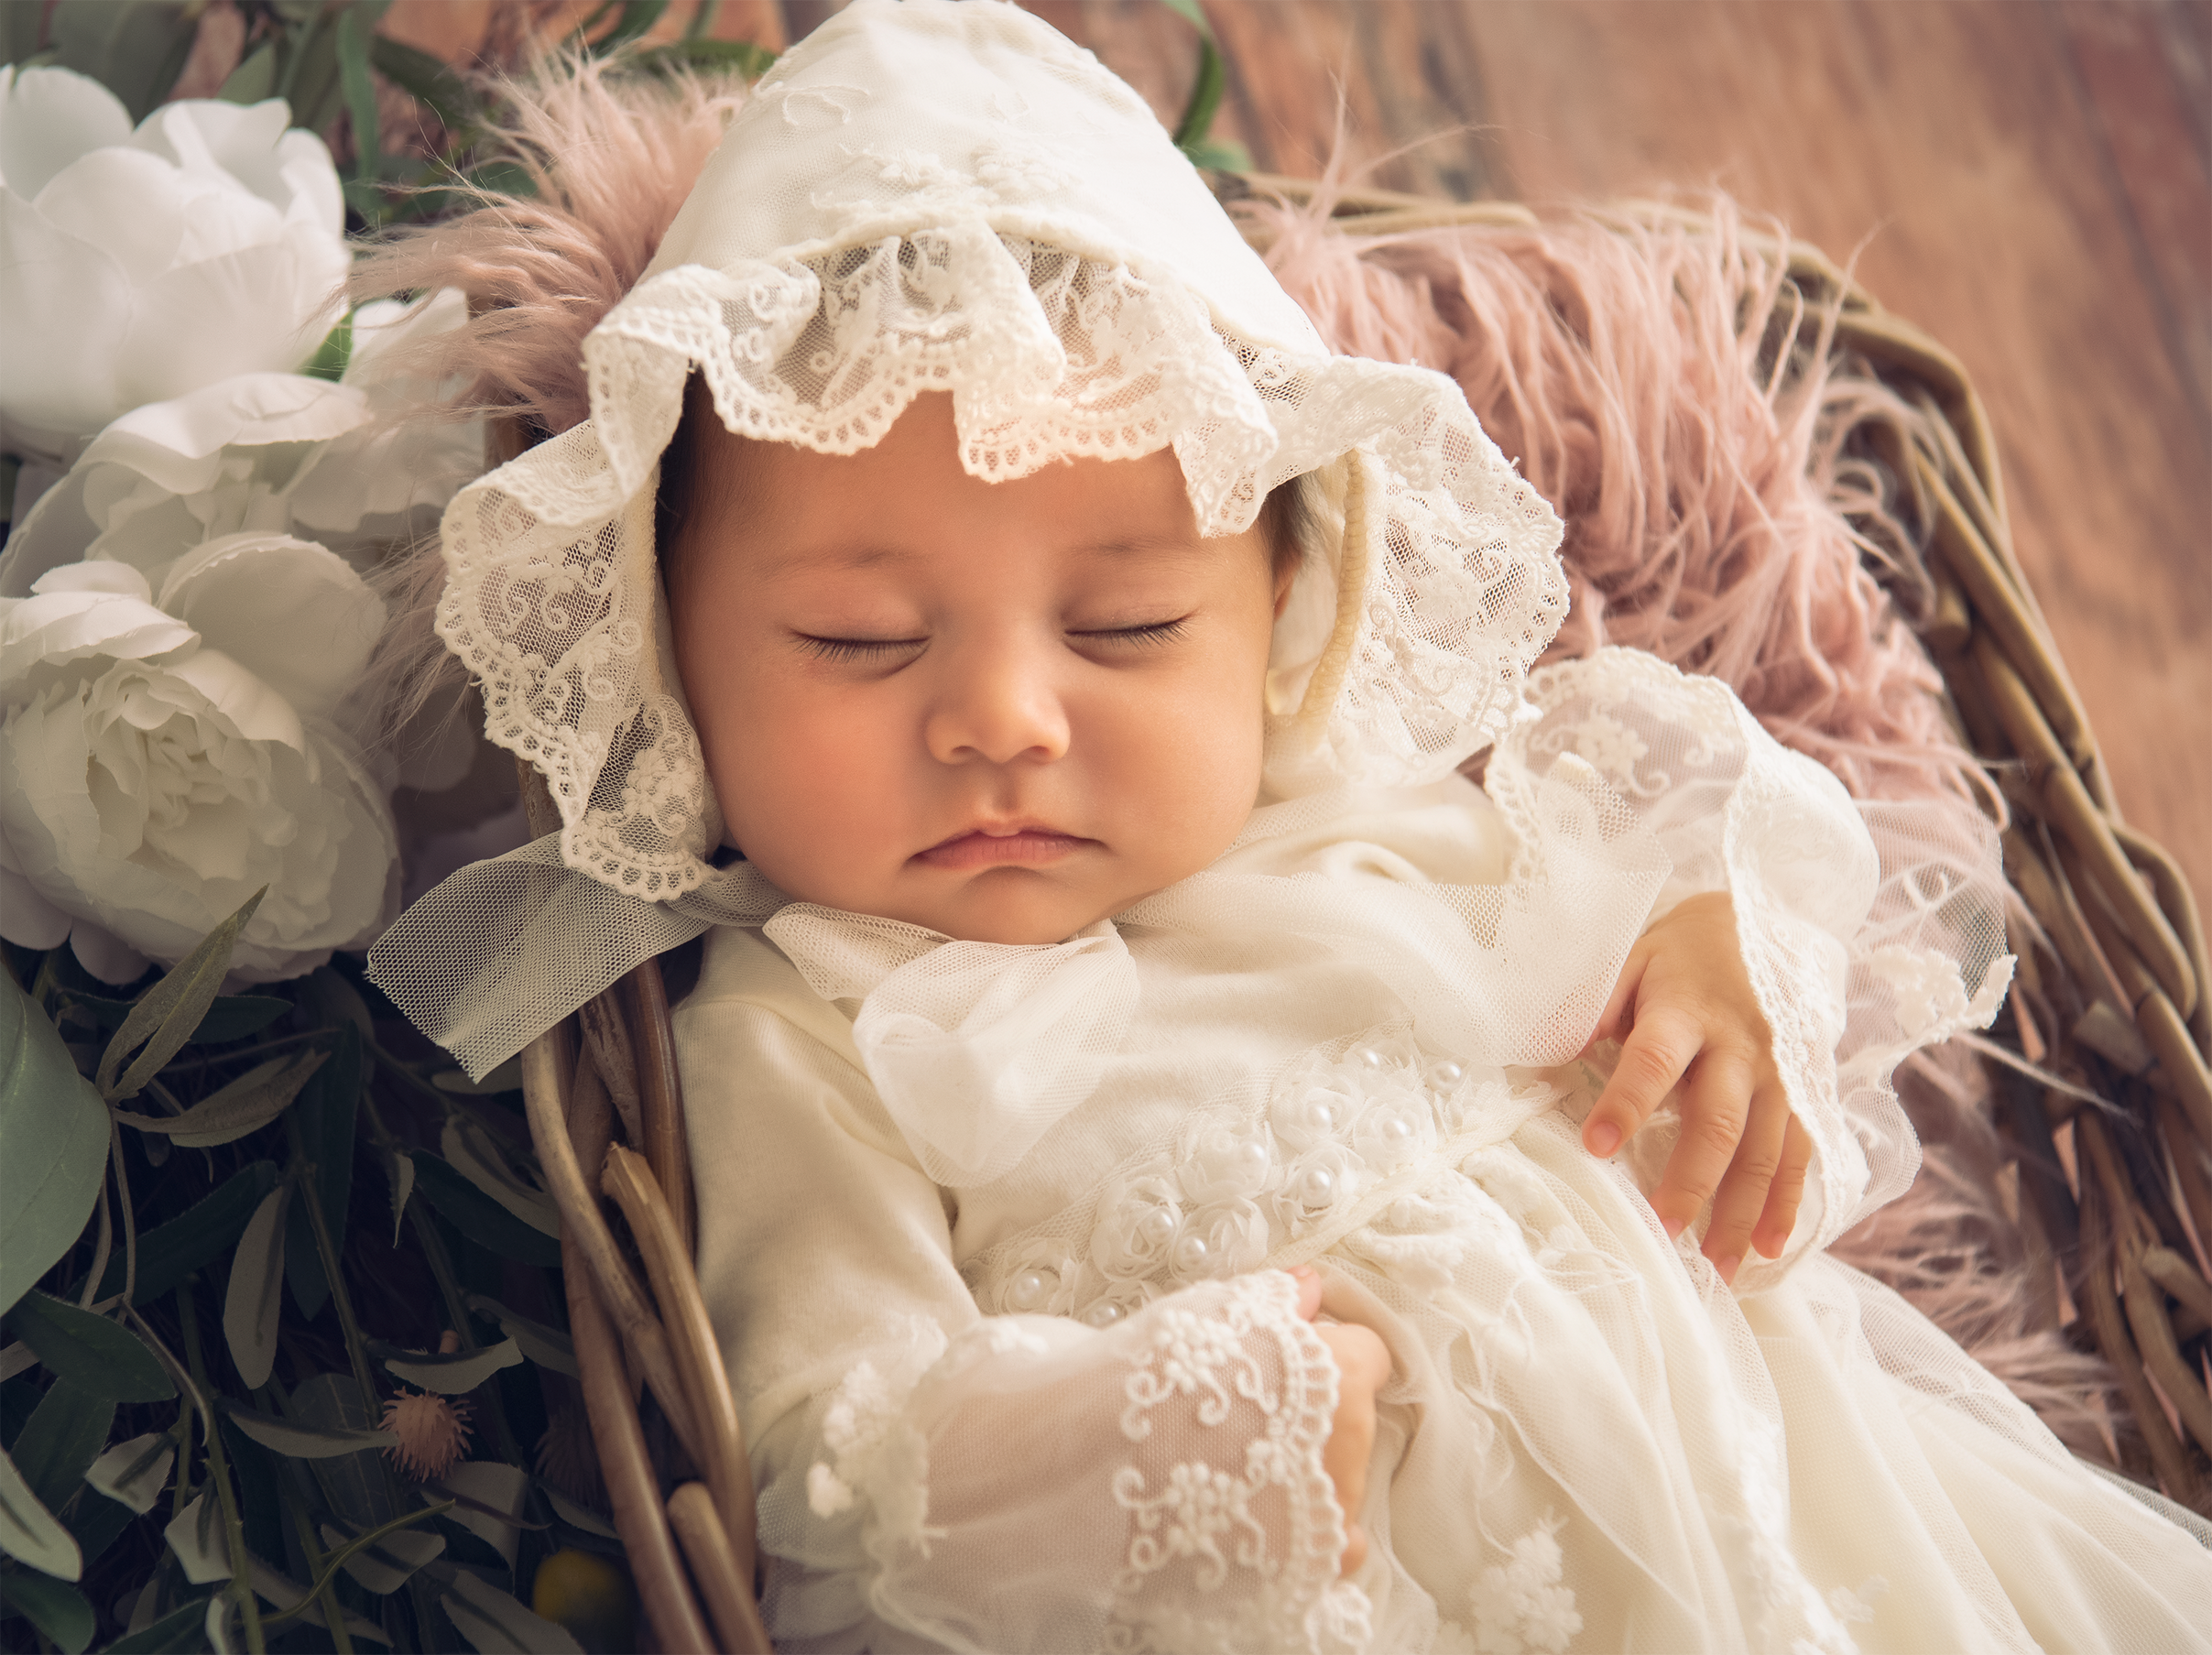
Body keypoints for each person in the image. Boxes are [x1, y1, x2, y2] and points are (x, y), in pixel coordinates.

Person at [369, 3, 2212, 1650]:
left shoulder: (1389, 820)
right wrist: (1183, 1436)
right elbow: (832, 1454)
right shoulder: (800, 1030)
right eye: (858, 641)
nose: (1004, 717)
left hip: (1783, 1522)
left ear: (1284, 619)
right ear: (671, 651)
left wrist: (1710, 950)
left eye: (1126, 630)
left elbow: (1744, 836)